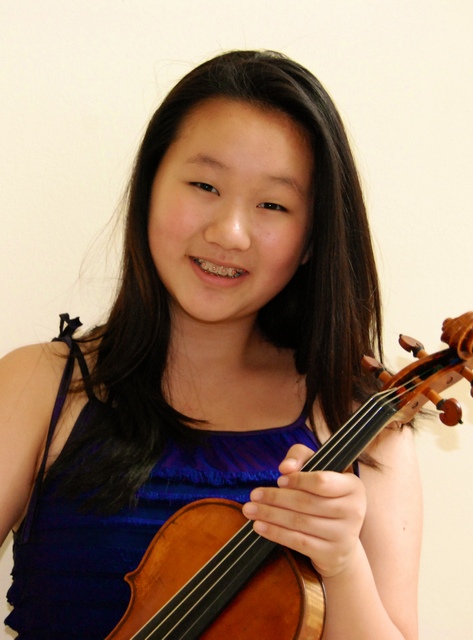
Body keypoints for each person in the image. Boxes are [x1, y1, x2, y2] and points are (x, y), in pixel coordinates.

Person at [0, 50, 422, 639]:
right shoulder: (40, 386)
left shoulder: (359, 420)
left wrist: (343, 564)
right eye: (204, 185)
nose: (229, 233)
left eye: (273, 204)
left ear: (311, 239)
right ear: (150, 187)